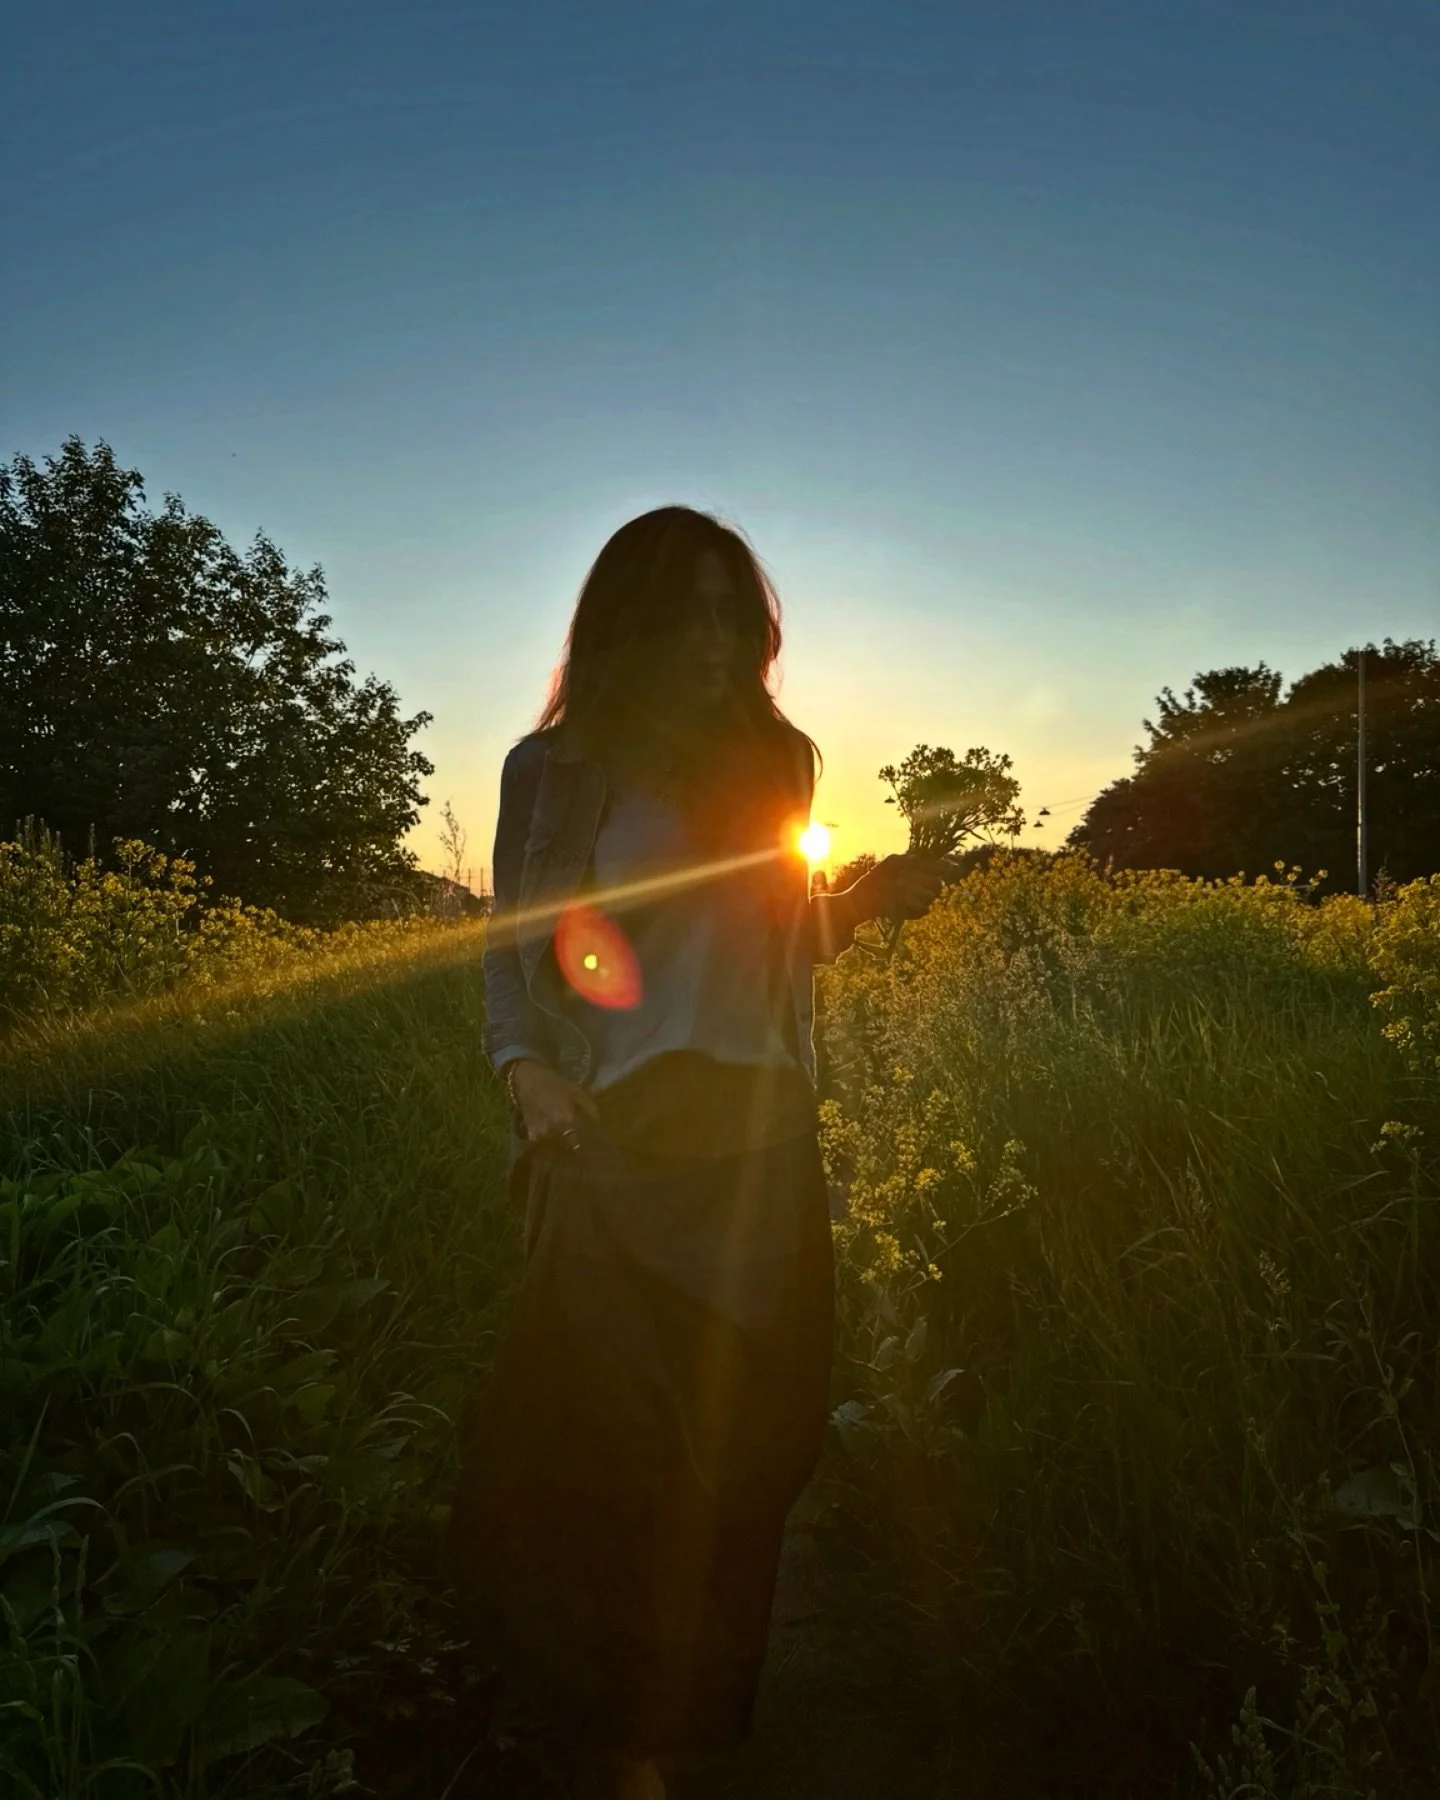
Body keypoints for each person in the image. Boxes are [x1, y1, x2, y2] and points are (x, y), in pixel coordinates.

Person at [445, 506, 947, 1799]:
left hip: (763, 1141)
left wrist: (867, 906)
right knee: (616, 1455)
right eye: (689, 612)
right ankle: (624, 1743)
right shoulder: (550, 771)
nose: (717, 640)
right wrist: (528, 1070)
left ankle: (696, 1709)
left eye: (736, 613)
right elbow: (515, 947)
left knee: (759, 1445)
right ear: (628, 625)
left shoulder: (779, 767)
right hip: (620, 1137)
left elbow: (773, 946)